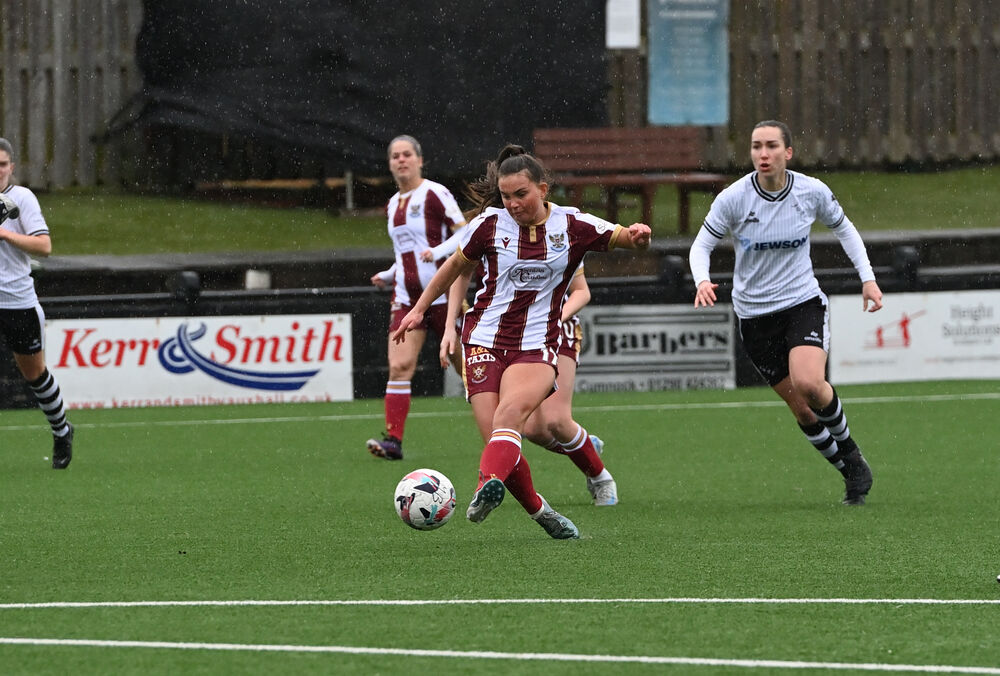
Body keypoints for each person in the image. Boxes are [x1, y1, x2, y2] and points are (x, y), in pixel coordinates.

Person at [394, 144, 651, 539]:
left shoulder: (573, 225)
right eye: (506, 196)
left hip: (536, 344)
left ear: (543, 189)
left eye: (521, 195)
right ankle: (541, 511)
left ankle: (485, 484)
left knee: (511, 417)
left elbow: (623, 238)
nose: (512, 204)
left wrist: (639, 236)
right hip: (482, 339)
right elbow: (453, 268)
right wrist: (418, 311)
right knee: (499, 436)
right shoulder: (490, 225)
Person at [689, 120, 883, 505]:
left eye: (772, 146)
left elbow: (846, 230)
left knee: (810, 384)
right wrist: (702, 280)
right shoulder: (733, 198)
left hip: (802, 303)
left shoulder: (811, 192)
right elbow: (701, 246)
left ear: (788, 153)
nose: (763, 154)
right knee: (802, 410)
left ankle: (850, 450)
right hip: (754, 316)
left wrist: (869, 279)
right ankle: (851, 472)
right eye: (756, 146)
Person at [366, 135, 466, 461]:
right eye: (395, 156)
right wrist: (388, 274)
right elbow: (405, 254)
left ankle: (513, 427)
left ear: (420, 160)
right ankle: (393, 441)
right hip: (407, 299)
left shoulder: (435, 193)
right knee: (399, 366)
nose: (401, 160)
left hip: (443, 296)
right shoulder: (392, 205)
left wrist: (437, 251)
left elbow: (465, 232)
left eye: (407, 154)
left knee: (470, 371)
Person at [0, 137, 74, 469]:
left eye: (2, 165)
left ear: (11, 167)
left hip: (17, 302)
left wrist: (4, 234)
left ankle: (62, 431)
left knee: (34, 374)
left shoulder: (21, 199)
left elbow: (44, 247)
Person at [520, 265, 618, 506]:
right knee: (533, 429)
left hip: (559, 330)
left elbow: (582, 292)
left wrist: (552, 320)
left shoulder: (562, 234)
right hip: (520, 333)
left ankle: (602, 479)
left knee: (556, 420)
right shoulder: (500, 234)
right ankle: (586, 447)